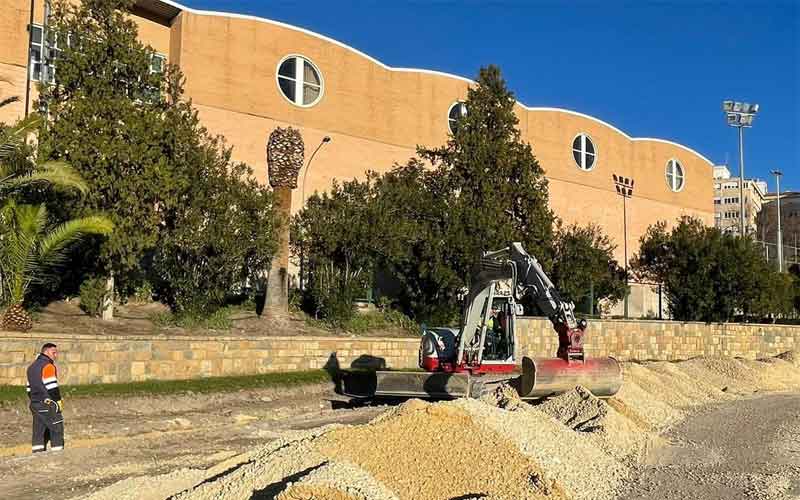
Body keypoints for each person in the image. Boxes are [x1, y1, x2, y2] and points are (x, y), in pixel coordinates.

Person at [26, 343, 64, 453]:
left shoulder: (31, 367)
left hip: (35, 404)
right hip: (48, 404)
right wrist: (58, 402)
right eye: (54, 352)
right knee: (56, 429)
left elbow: (29, 389)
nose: (56, 355)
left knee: (38, 431)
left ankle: (37, 456)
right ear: (46, 352)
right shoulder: (48, 366)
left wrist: (35, 400)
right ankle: (58, 455)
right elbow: (52, 387)